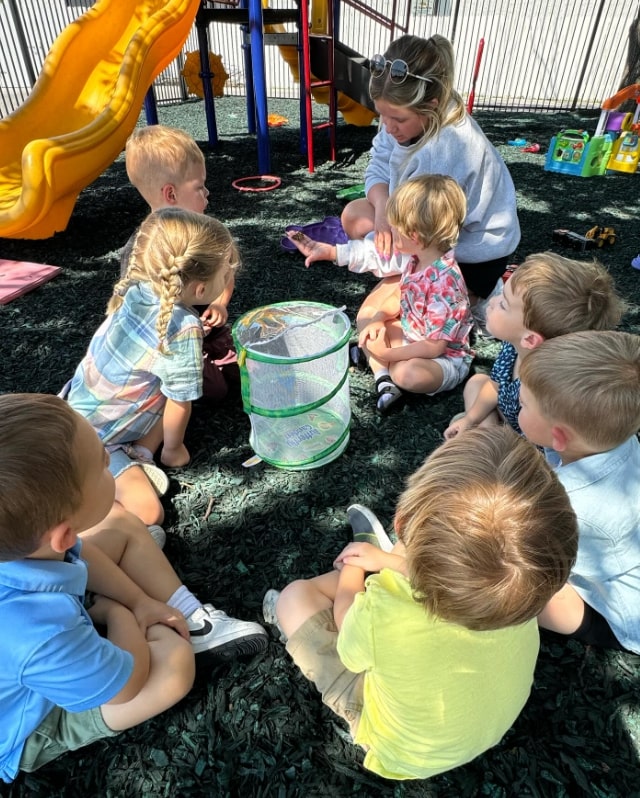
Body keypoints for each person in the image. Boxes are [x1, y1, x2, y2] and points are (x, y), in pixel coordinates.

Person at [262, 426, 578, 781]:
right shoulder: (522, 583)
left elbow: (348, 640)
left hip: (402, 753)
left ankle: (372, 552)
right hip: (486, 727)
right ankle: (391, 556)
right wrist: (392, 563)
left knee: (295, 599)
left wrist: (355, 565)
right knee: (411, 562)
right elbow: (468, 571)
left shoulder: (388, 614)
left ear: (401, 521)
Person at [0, 393, 267, 783]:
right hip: (31, 721)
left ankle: (187, 612)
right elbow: (125, 686)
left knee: (122, 523)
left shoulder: (28, 545)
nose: (111, 461)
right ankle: (173, 627)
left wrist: (141, 599)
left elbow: (83, 548)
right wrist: (120, 612)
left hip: (47, 629)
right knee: (174, 669)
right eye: (102, 465)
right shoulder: (42, 633)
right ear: (62, 534)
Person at [67, 207, 239, 530]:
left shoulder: (140, 287)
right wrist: (173, 451)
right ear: (200, 290)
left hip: (75, 410)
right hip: (96, 442)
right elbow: (179, 402)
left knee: (161, 386)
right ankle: (88, 524)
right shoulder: (183, 326)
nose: (229, 277)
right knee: (150, 514)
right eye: (224, 275)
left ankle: (138, 455)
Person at [339, 34, 520, 328]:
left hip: (468, 254)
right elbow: (378, 165)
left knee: (370, 319)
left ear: (431, 106)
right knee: (355, 215)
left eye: (396, 119)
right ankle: (436, 288)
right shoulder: (406, 116)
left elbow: (426, 238)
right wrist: (383, 207)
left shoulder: (446, 151)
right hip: (420, 227)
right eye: (382, 115)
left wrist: (370, 252)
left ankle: (473, 297)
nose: (387, 127)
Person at [286, 174, 473, 413]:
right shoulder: (417, 258)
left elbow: (434, 347)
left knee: (407, 374)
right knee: (371, 330)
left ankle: (383, 369)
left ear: (414, 236)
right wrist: (379, 319)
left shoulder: (444, 282)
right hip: (413, 337)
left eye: (394, 229)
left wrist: (390, 352)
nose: (387, 233)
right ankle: (384, 380)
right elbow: (401, 297)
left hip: (444, 358)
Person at [518, 330, 640, 655]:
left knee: (520, 590)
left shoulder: (571, 506)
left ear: (559, 436)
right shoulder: (616, 439)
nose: (517, 406)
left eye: (522, 403)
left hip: (622, 612)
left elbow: (525, 553)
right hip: (619, 565)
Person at [444, 252, 626, 439]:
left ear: (530, 340)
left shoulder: (547, 387)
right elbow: (495, 386)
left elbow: (543, 441)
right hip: (509, 418)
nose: (492, 301)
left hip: (530, 442)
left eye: (504, 304)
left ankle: (490, 442)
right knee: (477, 382)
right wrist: (471, 419)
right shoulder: (513, 346)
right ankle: (488, 433)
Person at [124, 124, 239, 404]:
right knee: (214, 391)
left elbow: (228, 271)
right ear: (171, 195)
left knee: (238, 374)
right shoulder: (142, 250)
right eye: (199, 187)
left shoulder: (205, 232)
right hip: (172, 342)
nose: (207, 193)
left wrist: (220, 304)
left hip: (208, 332)